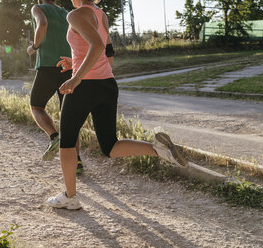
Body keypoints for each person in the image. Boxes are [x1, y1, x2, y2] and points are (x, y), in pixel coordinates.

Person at [47, 0, 188, 210]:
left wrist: (76, 78)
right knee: (110, 146)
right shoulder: (100, 13)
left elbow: (96, 47)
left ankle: (70, 196)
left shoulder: (75, 15)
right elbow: (107, 56)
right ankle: (159, 150)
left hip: (84, 87)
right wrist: (74, 61)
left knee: (66, 143)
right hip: (107, 85)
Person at [27, 0, 84, 174]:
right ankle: (77, 162)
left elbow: (42, 24)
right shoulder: (65, 13)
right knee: (68, 114)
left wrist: (34, 46)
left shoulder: (38, 8)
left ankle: (54, 137)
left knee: (36, 106)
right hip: (68, 66)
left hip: (47, 65)